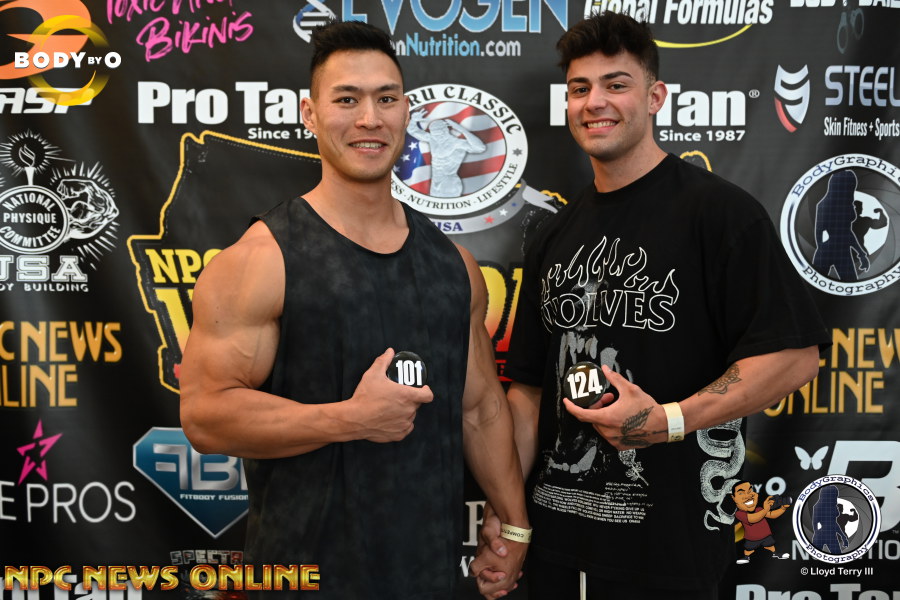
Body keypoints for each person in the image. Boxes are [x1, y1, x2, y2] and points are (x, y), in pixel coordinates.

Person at [472, 11, 830, 600]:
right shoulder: (555, 234)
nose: (595, 102)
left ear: (655, 96)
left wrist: (668, 420)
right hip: (557, 545)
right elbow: (529, 394)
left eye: (616, 84)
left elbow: (793, 358)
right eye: (580, 88)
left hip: (669, 551)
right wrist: (509, 520)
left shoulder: (720, 214)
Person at [179, 19, 528, 599]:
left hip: (428, 579)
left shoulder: (454, 266)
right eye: (347, 99)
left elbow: (481, 409)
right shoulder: (260, 260)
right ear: (310, 114)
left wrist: (513, 523)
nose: (370, 118)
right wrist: (351, 419)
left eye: (386, 99)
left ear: (406, 112)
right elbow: (205, 417)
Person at [731, 481, 790, 563]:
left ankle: (775, 554)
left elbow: (772, 515)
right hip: (752, 539)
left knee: (771, 546)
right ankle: (746, 557)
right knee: (748, 549)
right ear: (733, 498)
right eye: (741, 493)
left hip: (765, 536)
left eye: (750, 491)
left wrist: (783, 508)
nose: (748, 496)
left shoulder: (759, 509)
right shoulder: (739, 514)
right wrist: (765, 509)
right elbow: (752, 519)